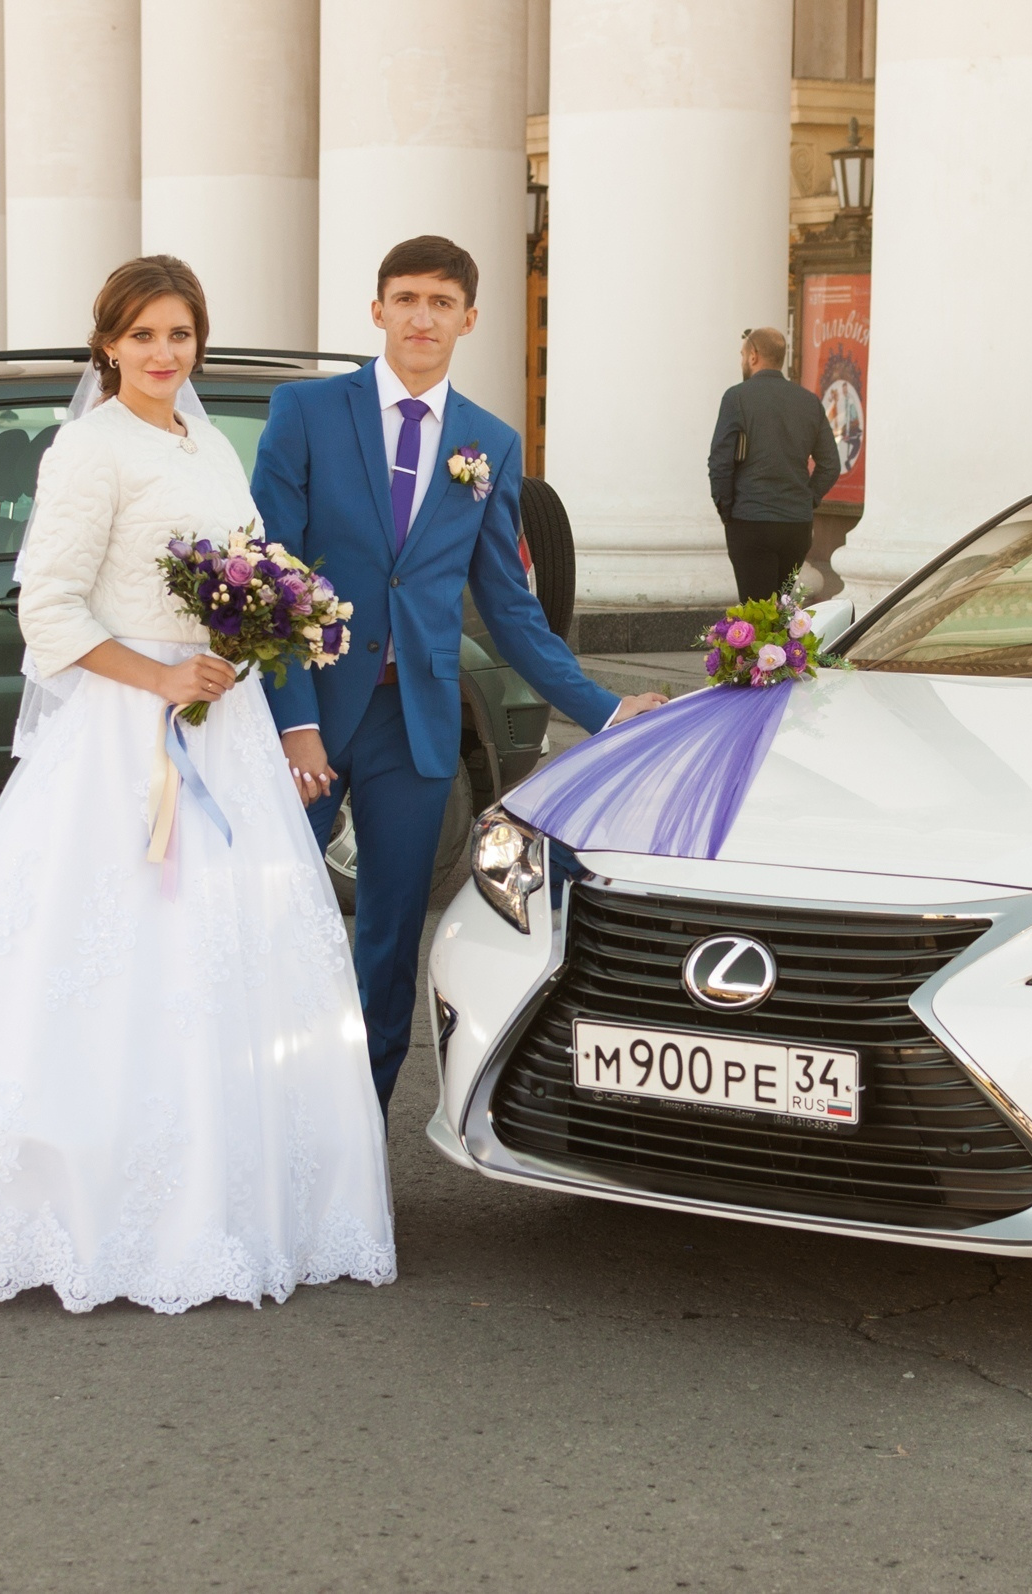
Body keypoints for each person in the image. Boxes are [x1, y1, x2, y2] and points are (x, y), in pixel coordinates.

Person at [0, 255, 396, 1313]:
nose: (163, 354)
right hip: (123, 733)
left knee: (226, 962)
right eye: (143, 336)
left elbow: (243, 566)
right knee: (101, 956)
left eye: (180, 335)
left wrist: (265, 626)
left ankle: (222, 1197)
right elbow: (47, 607)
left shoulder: (211, 443)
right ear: (108, 345)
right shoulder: (89, 449)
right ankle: (75, 1202)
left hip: (216, 719)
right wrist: (158, 677)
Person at [252, 235, 666, 1111]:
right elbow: (272, 583)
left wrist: (603, 709)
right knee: (269, 922)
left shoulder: (490, 443)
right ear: (377, 310)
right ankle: (259, 1120)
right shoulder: (306, 414)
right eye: (405, 299)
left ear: (469, 319)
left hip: (418, 724)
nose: (421, 317)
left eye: (441, 303)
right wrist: (292, 723)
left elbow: (511, 608)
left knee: (393, 936)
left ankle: (354, 1139)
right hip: (310, 718)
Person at [706, 326, 840, 602]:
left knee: (755, 614)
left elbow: (720, 463)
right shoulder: (809, 401)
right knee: (780, 609)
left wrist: (728, 511)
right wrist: (807, 499)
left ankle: (759, 648)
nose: (742, 360)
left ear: (753, 355)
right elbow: (830, 465)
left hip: (750, 520)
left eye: (743, 354)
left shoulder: (737, 397)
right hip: (796, 526)